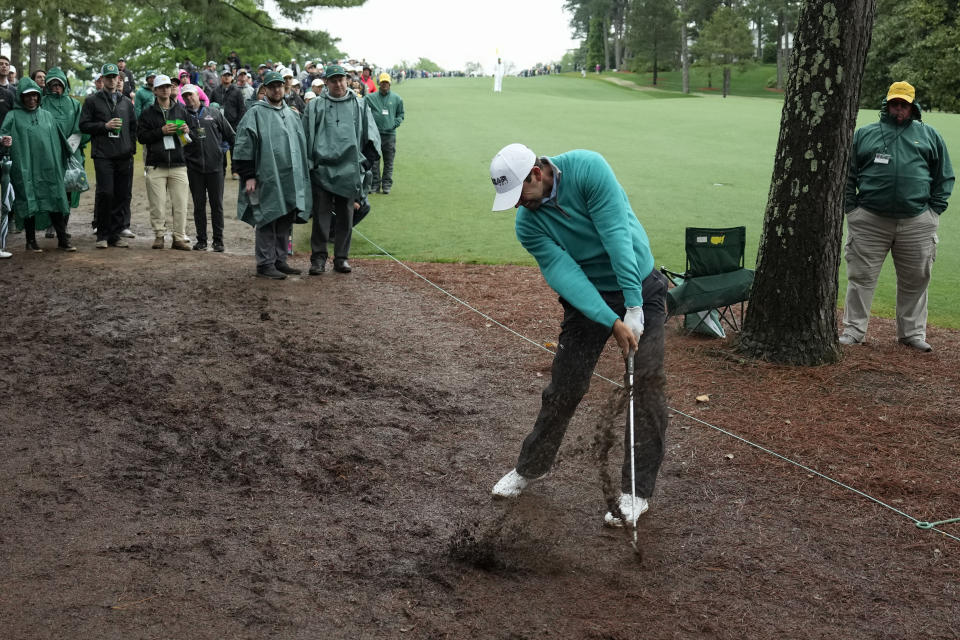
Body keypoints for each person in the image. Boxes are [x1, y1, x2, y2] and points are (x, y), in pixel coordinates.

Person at [487, 143, 668, 528]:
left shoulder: (587, 168)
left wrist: (633, 306)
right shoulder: (528, 224)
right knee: (564, 388)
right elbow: (565, 276)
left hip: (641, 285)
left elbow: (616, 233)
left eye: (520, 195)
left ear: (536, 173)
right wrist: (612, 320)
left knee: (647, 387)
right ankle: (530, 468)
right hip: (590, 300)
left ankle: (635, 492)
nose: (519, 205)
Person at [841, 81, 954, 353]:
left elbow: (944, 176)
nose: (899, 109)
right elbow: (847, 173)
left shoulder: (928, 135)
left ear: (913, 107)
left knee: (916, 278)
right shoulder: (865, 134)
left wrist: (933, 210)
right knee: (861, 277)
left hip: (917, 222)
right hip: (869, 220)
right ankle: (854, 331)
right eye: (894, 103)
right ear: (886, 104)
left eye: (904, 104)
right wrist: (852, 209)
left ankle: (912, 333)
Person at [232, 70, 311, 279]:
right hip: (265, 175)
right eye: (272, 86)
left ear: (285, 88)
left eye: (280, 86)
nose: (277, 89)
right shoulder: (255, 113)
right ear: (265, 89)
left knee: (285, 216)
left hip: (289, 177)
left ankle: (279, 259)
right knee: (267, 216)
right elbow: (243, 146)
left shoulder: (291, 114)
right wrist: (248, 175)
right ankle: (265, 264)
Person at [303, 64, 380, 275]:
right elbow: (306, 136)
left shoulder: (360, 104)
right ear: (326, 83)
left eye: (341, 79)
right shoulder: (315, 106)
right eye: (333, 80)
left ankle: (341, 258)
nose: (338, 84)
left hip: (348, 171)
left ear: (347, 80)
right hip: (322, 170)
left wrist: (365, 163)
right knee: (321, 217)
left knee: (346, 217)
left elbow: (371, 136)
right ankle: (318, 258)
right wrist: (311, 165)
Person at [0, 77, 74, 252]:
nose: (31, 99)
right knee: (29, 200)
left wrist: (67, 157)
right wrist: (5, 141)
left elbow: (60, 141)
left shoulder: (47, 115)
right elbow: (3, 136)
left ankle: (63, 239)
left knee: (55, 198)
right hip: (25, 167)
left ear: (39, 96)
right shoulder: (13, 116)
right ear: (21, 97)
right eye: (27, 96)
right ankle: (30, 241)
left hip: (48, 167)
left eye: (34, 95)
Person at [79, 62, 137, 249]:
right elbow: (84, 125)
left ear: (118, 79)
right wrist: (104, 126)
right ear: (102, 79)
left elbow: (133, 127)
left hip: (123, 155)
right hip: (103, 154)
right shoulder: (92, 101)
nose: (112, 80)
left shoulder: (126, 102)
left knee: (121, 195)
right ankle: (102, 234)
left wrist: (131, 149)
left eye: (115, 77)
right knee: (106, 193)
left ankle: (115, 234)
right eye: (108, 77)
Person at [137, 74, 192, 250]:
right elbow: (141, 137)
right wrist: (160, 131)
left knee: (181, 204)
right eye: (161, 87)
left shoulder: (181, 110)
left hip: (178, 164)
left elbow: (190, 139)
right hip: (156, 165)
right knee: (157, 205)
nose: (165, 90)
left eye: (168, 87)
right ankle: (159, 236)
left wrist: (185, 131)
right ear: (154, 90)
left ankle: (178, 238)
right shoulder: (147, 113)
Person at [182, 84, 234, 252]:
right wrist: (184, 133)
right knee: (198, 205)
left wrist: (222, 150)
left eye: (191, 95)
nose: (189, 98)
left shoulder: (214, 113)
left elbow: (230, 135)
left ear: (198, 95)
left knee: (216, 204)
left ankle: (218, 241)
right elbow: (180, 143)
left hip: (215, 167)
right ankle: (202, 240)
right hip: (194, 168)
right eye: (186, 96)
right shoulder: (182, 117)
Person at [41, 67, 88, 215]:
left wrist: (68, 148)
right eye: (53, 84)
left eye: (58, 84)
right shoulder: (42, 103)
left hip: (70, 153)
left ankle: (64, 222)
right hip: (47, 152)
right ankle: (53, 222)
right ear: (48, 86)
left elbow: (80, 127)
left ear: (64, 85)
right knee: (51, 187)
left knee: (69, 185)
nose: (56, 88)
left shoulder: (74, 104)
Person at [364, 72, 403, 195]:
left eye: (386, 82)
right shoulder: (371, 97)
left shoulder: (397, 99)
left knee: (389, 161)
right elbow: (362, 105)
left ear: (390, 83)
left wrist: (394, 123)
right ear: (379, 83)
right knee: (374, 161)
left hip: (390, 135)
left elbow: (401, 115)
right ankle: (375, 185)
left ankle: (386, 185)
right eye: (382, 82)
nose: (384, 84)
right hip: (375, 135)